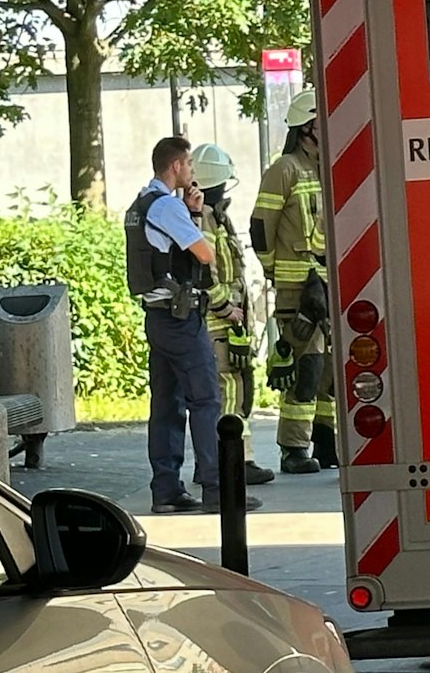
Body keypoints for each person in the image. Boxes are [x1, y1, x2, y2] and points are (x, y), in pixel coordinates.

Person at [126, 137, 261, 515]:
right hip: (182, 319)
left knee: (167, 405)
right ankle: (215, 487)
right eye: (188, 166)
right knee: (206, 400)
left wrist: (193, 214)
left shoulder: (141, 204)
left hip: (158, 317)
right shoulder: (167, 206)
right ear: (175, 167)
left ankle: (166, 490)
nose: (192, 172)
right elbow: (204, 253)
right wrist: (193, 219)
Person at [253, 89, 335, 475]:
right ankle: (293, 447)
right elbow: (260, 227)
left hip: (325, 282)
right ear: (306, 128)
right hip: (296, 287)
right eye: (321, 122)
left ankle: (326, 440)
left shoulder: (325, 167)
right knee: (306, 365)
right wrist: (273, 267)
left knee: (328, 369)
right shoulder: (283, 169)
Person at [192, 143, 275, 487]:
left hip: (231, 322)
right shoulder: (206, 220)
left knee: (238, 388)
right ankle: (230, 462)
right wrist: (225, 306)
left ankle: (230, 460)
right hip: (219, 322)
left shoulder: (215, 217)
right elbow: (204, 271)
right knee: (227, 389)